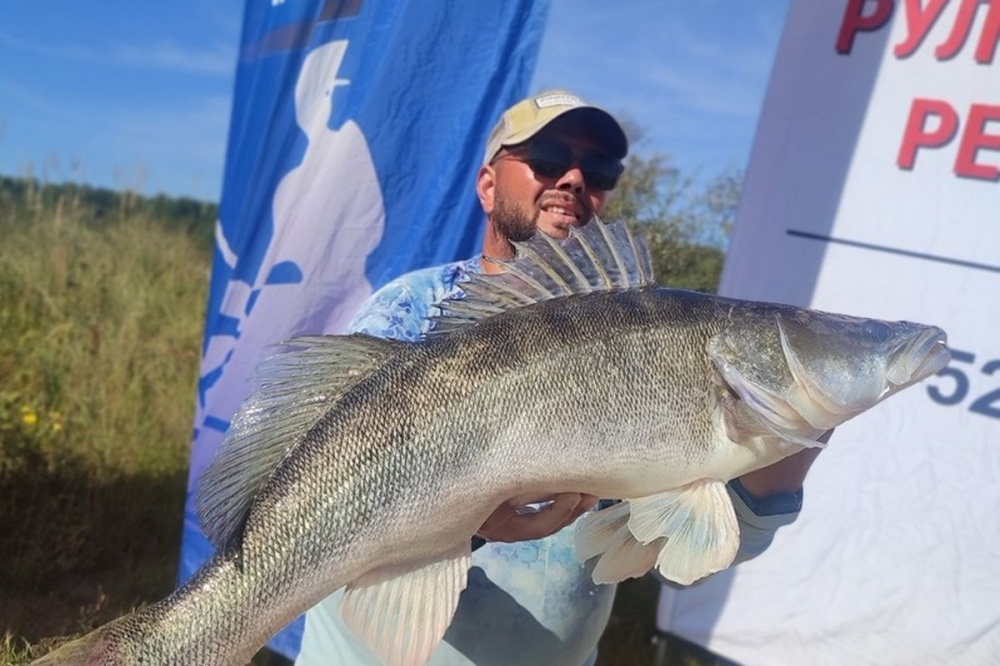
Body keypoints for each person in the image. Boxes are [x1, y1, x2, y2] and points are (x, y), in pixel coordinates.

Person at [295, 90, 821, 666]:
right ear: (488, 184)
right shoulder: (412, 314)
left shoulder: (643, 337)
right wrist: (465, 527)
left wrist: (778, 466)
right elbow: (318, 515)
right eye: (546, 158)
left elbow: (675, 556)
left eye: (598, 172)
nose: (573, 179)